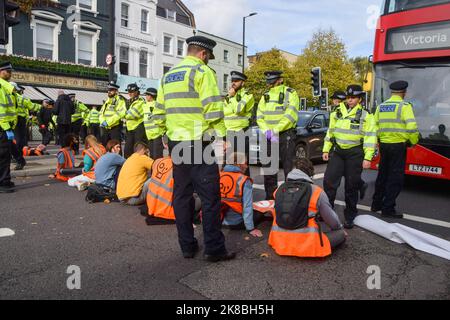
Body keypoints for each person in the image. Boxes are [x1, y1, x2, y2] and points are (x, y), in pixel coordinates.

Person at [150, 35, 235, 262]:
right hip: (199, 142)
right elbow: (213, 110)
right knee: (210, 197)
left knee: (181, 196)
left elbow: (158, 113)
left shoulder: (167, 77)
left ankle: (187, 246)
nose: (207, 61)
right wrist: (224, 135)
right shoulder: (202, 72)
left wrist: (162, 138)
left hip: (177, 144)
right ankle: (214, 249)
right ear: (203, 54)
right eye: (208, 58)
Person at [322, 84, 377, 229]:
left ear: (359, 99)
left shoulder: (366, 115)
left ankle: (350, 216)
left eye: (353, 98)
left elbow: (370, 137)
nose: (350, 100)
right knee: (329, 182)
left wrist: (367, 158)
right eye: (348, 97)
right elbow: (330, 132)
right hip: (338, 151)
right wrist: (326, 149)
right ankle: (326, 211)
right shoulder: (337, 112)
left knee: (351, 186)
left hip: (355, 153)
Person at [268, 158, 346, 258]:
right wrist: (339, 228)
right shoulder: (317, 191)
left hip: (280, 242)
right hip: (308, 245)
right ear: (310, 174)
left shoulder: (279, 189)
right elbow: (332, 220)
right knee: (340, 234)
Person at [371, 81, 420, 218]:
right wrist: (413, 141)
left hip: (384, 145)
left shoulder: (381, 106)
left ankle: (376, 204)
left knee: (382, 175)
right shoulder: (404, 106)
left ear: (391, 92)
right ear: (404, 92)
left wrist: (378, 140)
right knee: (395, 178)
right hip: (398, 146)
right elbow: (411, 127)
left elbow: (374, 126)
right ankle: (388, 209)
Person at [256, 70, 300, 200]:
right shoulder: (265, 96)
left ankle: (290, 199)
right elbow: (259, 116)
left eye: (273, 80)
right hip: (269, 135)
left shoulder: (290, 93)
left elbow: (290, 116)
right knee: (269, 169)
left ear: (280, 80)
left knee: (288, 168)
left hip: (285, 134)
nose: (270, 83)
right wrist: (267, 132)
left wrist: (274, 130)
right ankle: (270, 198)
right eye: (269, 81)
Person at [221, 152, 263, 237]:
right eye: (245, 163)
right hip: (236, 222)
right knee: (260, 212)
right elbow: (247, 207)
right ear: (238, 164)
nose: (247, 166)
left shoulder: (218, 175)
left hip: (218, 219)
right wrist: (251, 229)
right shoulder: (244, 180)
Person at [224, 71, 254, 176]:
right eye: (232, 80)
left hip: (242, 132)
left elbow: (239, 110)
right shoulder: (228, 97)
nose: (233, 83)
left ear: (243, 83)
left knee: (242, 164)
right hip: (229, 133)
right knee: (229, 163)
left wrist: (232, 98)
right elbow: (225, 116)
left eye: (236, 81)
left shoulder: (247, 95)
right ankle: (231, 188)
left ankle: (246, 188)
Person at [11, 83, 41, 170]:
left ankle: (18, 159)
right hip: (18, 120)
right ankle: (17, 158)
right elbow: (32, 106)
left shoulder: (17, 97)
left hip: (15, 120)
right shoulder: (20, 97)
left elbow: (31, 106)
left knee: (15, 140)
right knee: (17, 140)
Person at [0, 62, 17, 193]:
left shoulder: (6, 88)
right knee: (3, 155)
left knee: (6, 154)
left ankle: (5, 179)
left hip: (6, 126)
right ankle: (3, 182)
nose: (10, 74)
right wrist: (6, 127)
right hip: (2, 127)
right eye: (8, 71)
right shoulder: (2, 86)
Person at [99, 82, 127, 147]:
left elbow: (120, 113)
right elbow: (101, 113)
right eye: (108, 90)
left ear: (116, 91)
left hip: (114, 128)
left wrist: (108, 122)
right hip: (105, 127)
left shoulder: (120, 100)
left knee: (116, 147)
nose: (109, 91)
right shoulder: (107, 101)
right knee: (105, 146)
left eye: (111, 90)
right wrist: (102, 121)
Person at [124, 83, 146, 158]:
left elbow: (133, 114)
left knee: (138, 149)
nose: (129, 93)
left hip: (138, 127)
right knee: (127, 150)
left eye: (132, 92)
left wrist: (125, 114)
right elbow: (124, 112)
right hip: (129, 128)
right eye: (129, 92)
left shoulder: (141, 101)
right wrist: (126, 113)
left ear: (137, 92)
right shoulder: (128, 102)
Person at [143, 87, 165, 160]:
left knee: (157, 157)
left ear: (150, 96)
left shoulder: (157, 105)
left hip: (157, 134)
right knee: (152, 157)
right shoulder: (145, 105)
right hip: (149, 135)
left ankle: (158, 171)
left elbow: (162, 118)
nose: (145, 96)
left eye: (146, 95)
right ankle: (153, 171)